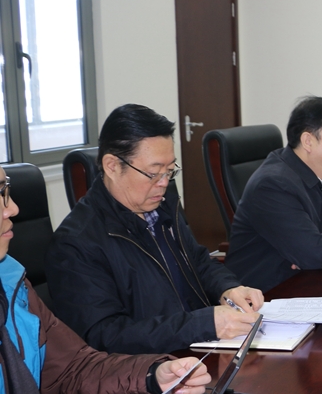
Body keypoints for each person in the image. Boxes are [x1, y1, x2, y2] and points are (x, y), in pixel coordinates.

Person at [0, 164, 211, 394]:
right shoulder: (78, 239)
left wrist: (153, 374)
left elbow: (73, 369)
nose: (12, 208)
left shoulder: (11, 282)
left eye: (6, 191)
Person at [46, 104, 262, 355]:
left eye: (170, 171)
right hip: (149, 368)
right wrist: (201, 324)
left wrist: (228, 288)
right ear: (112, 166)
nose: (164, 183)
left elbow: (198, 261)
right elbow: (104, 336)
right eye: (153, 173)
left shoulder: (162, 206)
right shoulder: (75, 243)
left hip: (198, 350)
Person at [226, 96, 322, 293]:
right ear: (308, 141)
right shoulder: (273, 185)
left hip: (308, 281)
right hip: (264, 295)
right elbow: (314, 254)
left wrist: (318, 244)